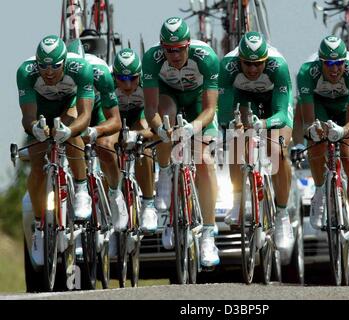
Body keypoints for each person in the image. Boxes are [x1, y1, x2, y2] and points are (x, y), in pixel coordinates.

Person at [142, 17, 220, 267]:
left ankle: (208, 232)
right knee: (165, 117)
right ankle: (165, 175)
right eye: (169, 50)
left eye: (179, 49)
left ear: (188, 45)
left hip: (199, 104)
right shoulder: (152, 59)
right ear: (162, 47)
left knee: (204, 159)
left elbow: (210, 109)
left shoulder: (206, 57)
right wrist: (160, 130)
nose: (174, 55)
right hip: (170, 99)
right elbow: (150, 108)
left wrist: (195, 127)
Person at [218, 31, 295, 263]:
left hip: (273, 105)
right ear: (239, 60)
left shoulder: (278, 66)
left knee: (278, 151)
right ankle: (238, 200)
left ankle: (281, 215)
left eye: (257, 64)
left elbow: (282, 112)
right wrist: (234, 125)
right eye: (247, 64)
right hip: (243, 99)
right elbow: (223, 111)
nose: (252, 70)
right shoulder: (228, 66)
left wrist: (264, 124)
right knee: (235, 139)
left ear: (265, 60)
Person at [16, 35, 94, 265]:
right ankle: (40, 228)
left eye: (55, 66)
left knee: (73, 132)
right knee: (38, 166)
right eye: (44, 66)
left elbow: (85, 115)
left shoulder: (81, 69)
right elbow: (28, 117)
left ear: (65, 62)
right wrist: (34, 129)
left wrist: (69, 133)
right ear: (37, 63)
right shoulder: (26, 72)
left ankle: (80, 189)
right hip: (41, 112)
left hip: (68, 107)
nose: (49, 72)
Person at [296, 35, 349, 271]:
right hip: (321, 106)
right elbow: (309, 122)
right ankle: (320, 191)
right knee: (316, 141)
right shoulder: (307, 73)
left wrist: (342, 132)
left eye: (339, 63)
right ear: (320, 63)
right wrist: (316, 131)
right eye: (329, 64)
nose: (335, 68)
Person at [66, 39, 129, 233]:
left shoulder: (100, 72)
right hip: (76, 106)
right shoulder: (60, 72)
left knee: (104, 146)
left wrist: (96, 131)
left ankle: (115, 192)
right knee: (68, 136)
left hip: (100, 108)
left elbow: (116, 120)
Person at [113, 48, 158, 233]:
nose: (128, 84)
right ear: (113, 75)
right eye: (122, 79)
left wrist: (141, 135)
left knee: (144, 148)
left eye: (133, 78)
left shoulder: (149, 83)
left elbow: (156, 123)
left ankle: (148, 204)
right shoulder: (107, 84)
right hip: (116, 117)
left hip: (140, 115)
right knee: (106, 147)